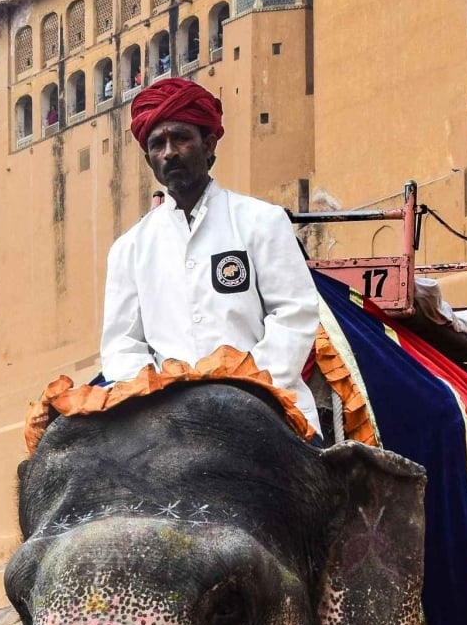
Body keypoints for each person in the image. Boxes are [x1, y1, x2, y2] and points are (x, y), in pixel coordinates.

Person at [100, 77, 323, 433]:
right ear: (149, 159)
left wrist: (245, 384)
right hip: (169, 419)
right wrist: (165, 396)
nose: (169, 152)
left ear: (209, 143)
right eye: (158, 144)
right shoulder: (129, 249)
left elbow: (294, 314)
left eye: (181, 138)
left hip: (267, 405)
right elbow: (121, 345)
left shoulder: (261, 221)